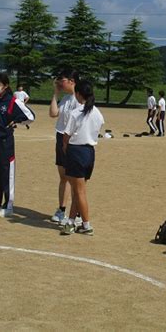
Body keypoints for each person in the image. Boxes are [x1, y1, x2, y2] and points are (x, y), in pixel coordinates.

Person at [0, 72, 35, 218]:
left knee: (6, 174)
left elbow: (30, 117)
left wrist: (16, 122)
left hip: (5, 142)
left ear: (5, 86)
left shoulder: (12, 101)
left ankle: (8, 206)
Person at [61, 80, 104, 236]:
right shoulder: (97, 113)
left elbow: (66, 136)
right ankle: (71, 221)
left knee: (79, 192)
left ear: (78, 94)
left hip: (76, 152)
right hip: (89, 153)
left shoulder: (76, 113)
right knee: (78, 190)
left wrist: (66, 149)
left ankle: (86, 225)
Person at [48, 70, 82, 225]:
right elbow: (53, 113)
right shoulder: (66, 99)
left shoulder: (80, 99)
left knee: (74, 179)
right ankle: (62, 210)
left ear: (71, 81)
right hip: (60, 137)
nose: (60, 83)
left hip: (72, 140)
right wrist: (55, 93)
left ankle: (78, 213)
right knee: (63, 178)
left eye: (62, 80)